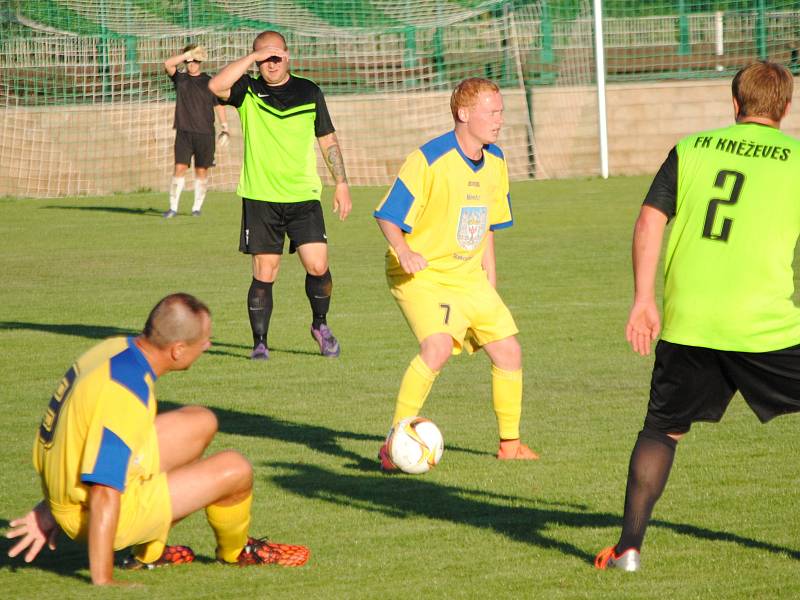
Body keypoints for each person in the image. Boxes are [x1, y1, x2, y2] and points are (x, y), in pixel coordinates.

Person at [595, 61, 800, 572]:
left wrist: (644, 299)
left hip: (690, 323)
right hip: (765, 326)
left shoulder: (692, 148)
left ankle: (628, 549)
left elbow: (649, 219)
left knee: (662, 430)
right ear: (786, 108)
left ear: (734, 105)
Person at [5, 293, 309, 585]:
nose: (208, 345)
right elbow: (104, 492)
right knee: (235, 469)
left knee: (200, 422)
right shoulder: (125, 394)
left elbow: (75, 432)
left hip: (68, 492)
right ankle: (236, 553)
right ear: (177, 350)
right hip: (90, 510)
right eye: (203, 340)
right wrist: (103, 580)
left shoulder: (114, 349)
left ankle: (150, 553)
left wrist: (49, 505)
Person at [373, 77, 539, 470]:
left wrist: (490, 281)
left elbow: (487, 228)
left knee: (508, 351)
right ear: (464, 114)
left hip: (469, 277)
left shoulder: (496, 160)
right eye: (491, 112)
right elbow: (387, 215)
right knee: (438, 348)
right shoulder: (428, 159)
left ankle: (510, 445)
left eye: (501, 111)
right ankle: (394, 443)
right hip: (422, 275)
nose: (499, 119)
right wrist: (404, 250)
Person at [208, 31, 352, 360]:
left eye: (276, 56)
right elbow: (215, 87)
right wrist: (251, 60)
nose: (270, 62)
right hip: (261, 197)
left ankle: (320, 325)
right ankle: (260, 343)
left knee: (318, 265)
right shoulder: (247, 90)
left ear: (287, 56)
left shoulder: (309, 91)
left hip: (303, 195)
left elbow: (327, 139)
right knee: (265, 272)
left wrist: (341, 183)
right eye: (263, 57)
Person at [163, 44, 229, 218]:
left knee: (201, 171)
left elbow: (219, 105)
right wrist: (187, 54)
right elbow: (168, 64)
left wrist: (225, 127)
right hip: (184, 132)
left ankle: (196, 208)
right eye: (190, 61)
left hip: (205, 134)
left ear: (201, 62)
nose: (193, 64)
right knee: (179, 168)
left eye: (196, 61)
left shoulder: (209, 81)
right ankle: (173, 208)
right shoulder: (181, 79)